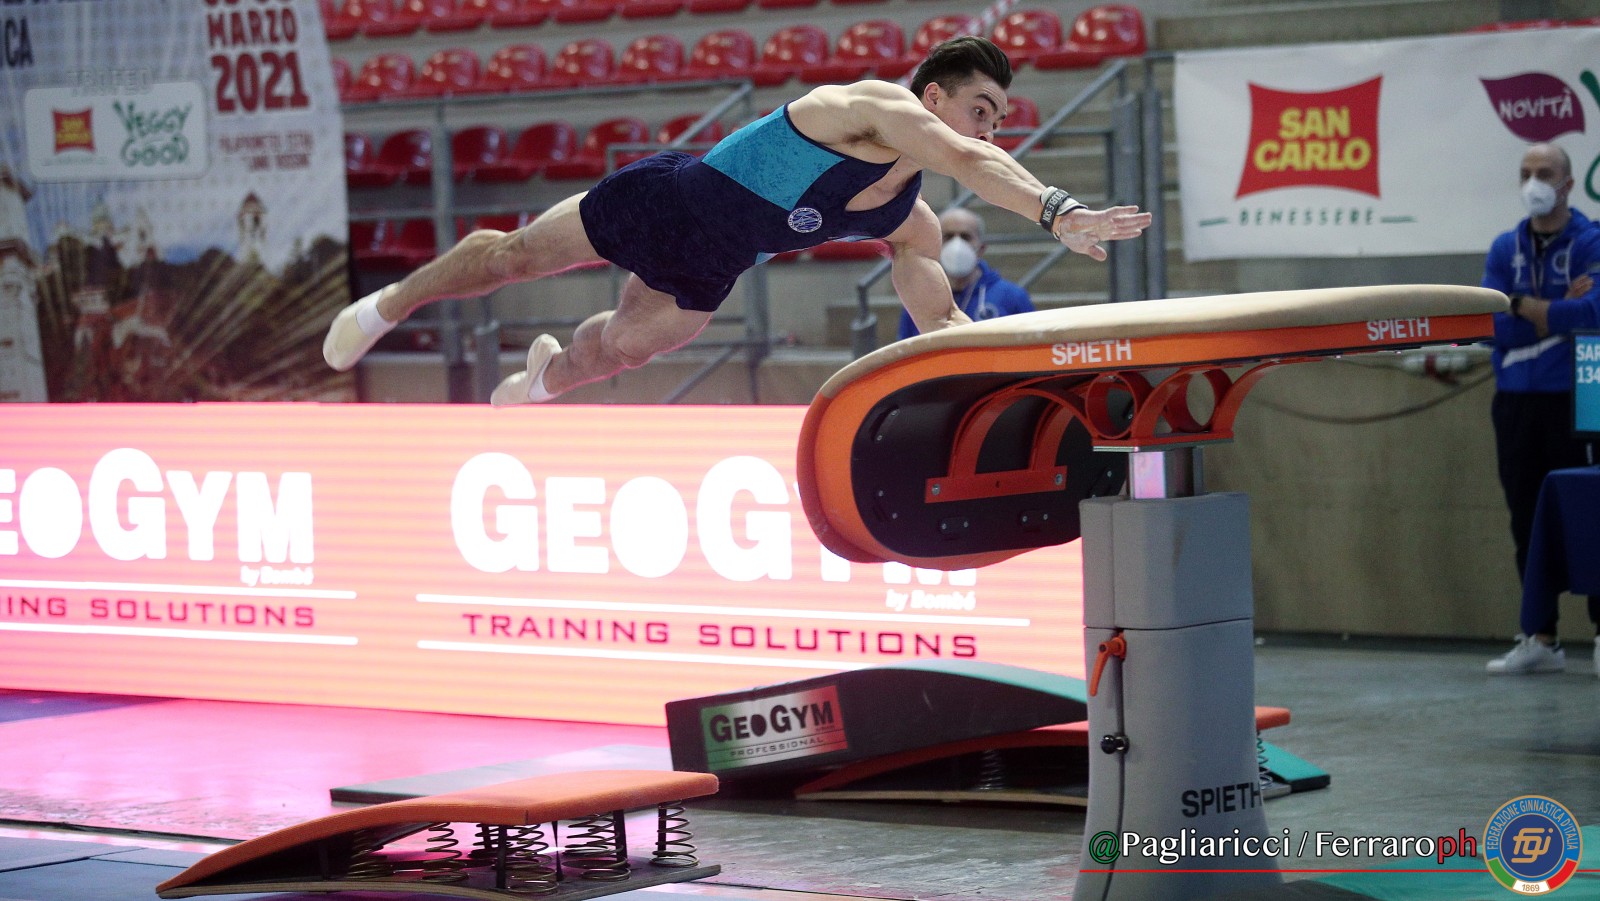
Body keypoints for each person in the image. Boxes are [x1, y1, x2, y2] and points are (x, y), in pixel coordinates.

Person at [322, 37, 1151, 405]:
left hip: (711, 266)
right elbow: (969, 160)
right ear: (933, 98)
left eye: (998, 120)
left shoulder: (911, 221)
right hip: (664, 200)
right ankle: (389, 303)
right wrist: (1058, 209)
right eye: (981, 109)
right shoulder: (866, 106)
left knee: (617, 351)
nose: (988, 131)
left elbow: (941, 321)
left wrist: (992, 370)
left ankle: (540, 379)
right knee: (514, 258)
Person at [1482, 142, 1600, 675]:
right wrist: (1550, 311)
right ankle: (1541, 636)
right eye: (1526, 172)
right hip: (1516, 400)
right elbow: (1488, 322)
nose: (1534, 181)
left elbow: (1593, 314)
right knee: (1525, 517)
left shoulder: (1590, 242)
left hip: (1580, 395)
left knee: (1591, 513)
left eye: (1545, 172)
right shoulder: (1504, 247)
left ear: (1568, 183)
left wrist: (1521, 306)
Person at [897, 207, 1032, 340]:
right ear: (935, 244)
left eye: (965, 237)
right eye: (948, 237)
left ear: (981, 248)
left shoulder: (1012, 296)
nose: (957, 244)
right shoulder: (919, 300)